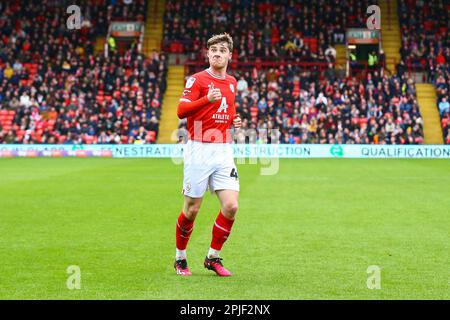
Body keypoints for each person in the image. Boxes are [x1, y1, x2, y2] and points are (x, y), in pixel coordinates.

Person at [174, 33, 242, 276]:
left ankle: (212, 257)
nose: (217, 53)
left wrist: (235, 119)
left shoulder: (232, 82)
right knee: (192, 209)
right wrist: (205, 99)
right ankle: (180, 258)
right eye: (213, 50)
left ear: (229, 55)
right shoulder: (197, 80)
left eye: (222, 50)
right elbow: (181, 111)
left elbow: (230, 105)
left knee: (231, 206)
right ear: (207, 54)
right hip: (199, 148)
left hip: (223, 149)